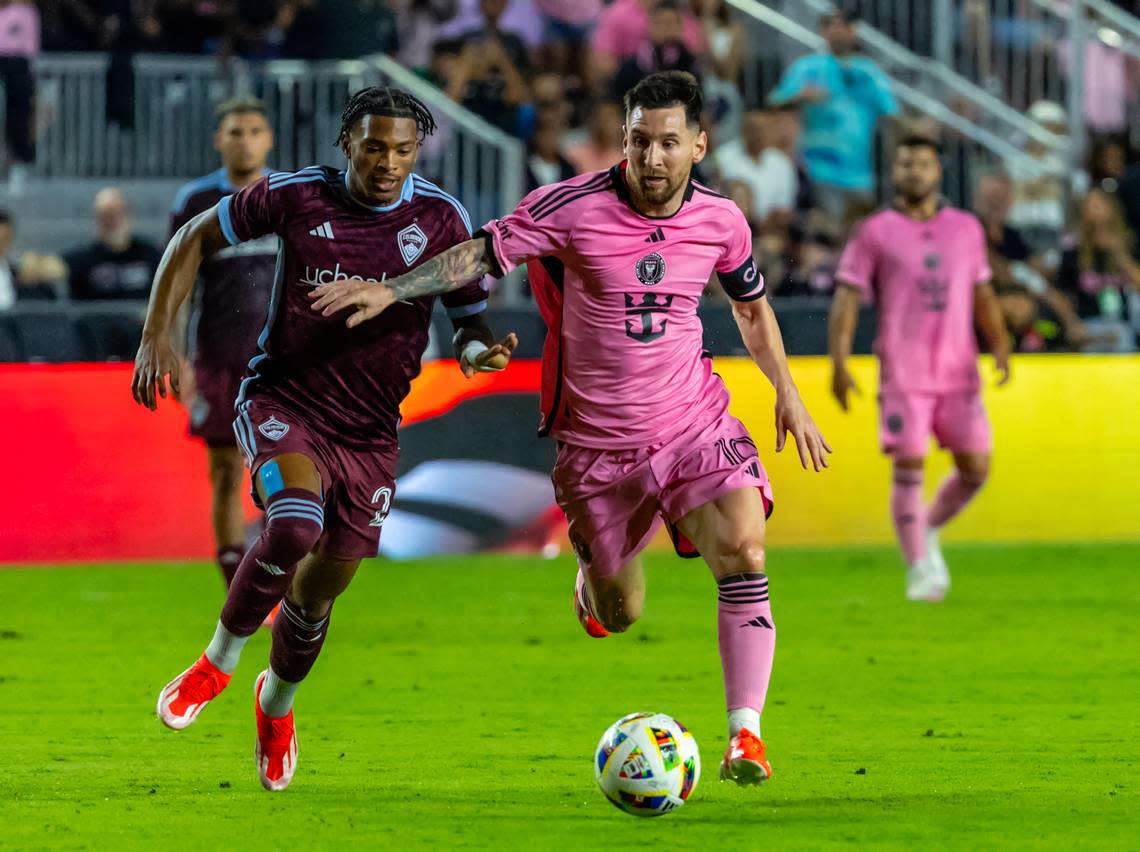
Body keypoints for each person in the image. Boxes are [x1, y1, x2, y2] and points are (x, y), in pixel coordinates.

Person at [311, 71, 832, 786]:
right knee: (621, 611)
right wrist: (393, 287)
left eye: (669, 143)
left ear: (700, 146)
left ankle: (746, 736)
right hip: (595, 446)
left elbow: (750, 307)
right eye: (639, 141)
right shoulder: (569, 207)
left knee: (744, 548)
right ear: (623, 139)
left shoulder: (723, 221)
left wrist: (790, 395)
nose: (652, 158)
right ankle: (594, 582)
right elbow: (480, 256)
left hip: (692, 420)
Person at [131, 86, 517, 792]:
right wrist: (159, 331)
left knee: (319, 592)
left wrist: (476, 354)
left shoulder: (441, 218)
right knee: (292, 526)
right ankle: (215, 662)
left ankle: (275, 706)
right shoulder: (295, 197)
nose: (388, 163)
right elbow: (193, 238)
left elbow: (468, 320)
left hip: (370, 430)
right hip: (284, 398)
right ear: (348, 143)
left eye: (403, 150)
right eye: (374, 147)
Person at [828, 136, 1011, 602]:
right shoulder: (874, 231)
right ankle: (918, 569)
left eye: (923, 164)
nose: (914, 172)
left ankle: (925, 529)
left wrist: (1001, 344)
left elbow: (983, 292)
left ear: (938, 172)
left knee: (976, 467)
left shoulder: (966, 229)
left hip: (958, 370)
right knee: (908, 464)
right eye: (906, 163)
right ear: (895, 172)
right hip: (904, 371)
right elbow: (847, 297)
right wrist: (840, 361)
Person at [168, 98, 277, 593]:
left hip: (283, 360)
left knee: (289, 467)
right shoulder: (196, 202)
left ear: (268, 139)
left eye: (254, 131)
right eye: (235, 132)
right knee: (225, 468)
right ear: (219, 140)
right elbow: (178, 286)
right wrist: (174, 352)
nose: (245, 140)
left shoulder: (287, 195)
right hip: (219, 355)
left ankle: (281, 566)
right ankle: (239, 587)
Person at [768, 5, 898, 222]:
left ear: (853, 30)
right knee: (827, 235)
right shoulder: (808, 67)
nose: (836, 30)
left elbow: (892, 113)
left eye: (842, 24)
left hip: (859, 175)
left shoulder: (869, 72)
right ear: (822, 30)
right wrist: (800, 96)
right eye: (830, 24)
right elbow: (773, 102)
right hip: (817, 171)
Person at [1055, 188, 1140, 352]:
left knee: (1122, 337)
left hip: (1126, 324)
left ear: (1111, 208)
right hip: (1089, 323)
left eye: (1099, 205)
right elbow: (1061, 293)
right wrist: (1072, 323)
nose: (1094, 211)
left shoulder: (1130, 243)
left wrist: (1119, 255)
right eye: (1089, 206)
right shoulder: (1073, 250)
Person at [65, 188, 163, 300]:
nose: (113, 220)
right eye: (105, 215)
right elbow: (54, 268)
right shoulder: (83, 258)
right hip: (98, 316)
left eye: (118, 212)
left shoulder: (150, 253)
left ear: (129, 214)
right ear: (97, 219)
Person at [713, 110, 798, 230]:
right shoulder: (723, 157)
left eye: (764, 130)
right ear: (744, 131)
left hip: (770, 229)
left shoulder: (781, 162)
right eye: (754, 130)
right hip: (730, 224)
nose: (759, 135)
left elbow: (784, 207)